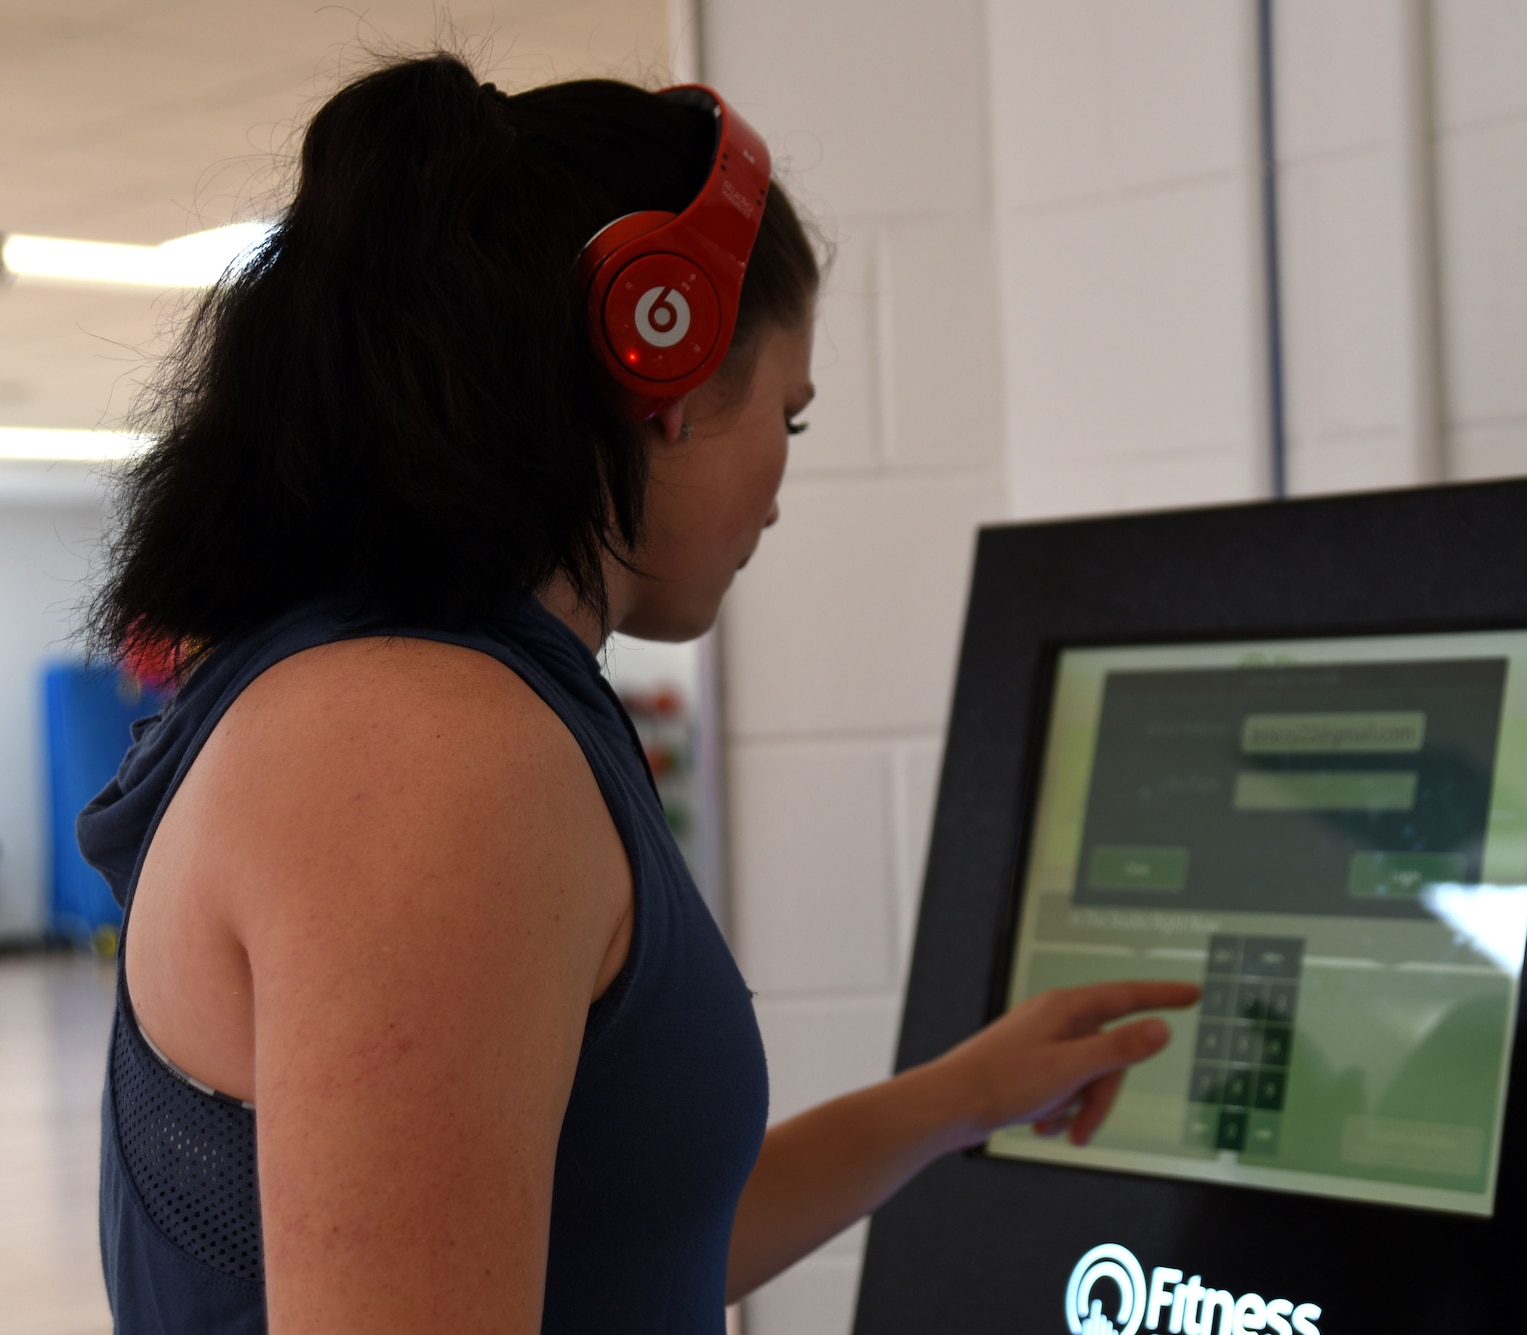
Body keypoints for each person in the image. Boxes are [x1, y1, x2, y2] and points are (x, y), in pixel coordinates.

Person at [81, 53, 1196, 1334]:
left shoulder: (466, 703)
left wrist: (959, 1098)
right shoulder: (422, 751)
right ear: (659, 351)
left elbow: (623, 1257)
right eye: (794, 412)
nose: (783, 479)